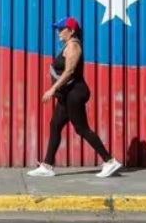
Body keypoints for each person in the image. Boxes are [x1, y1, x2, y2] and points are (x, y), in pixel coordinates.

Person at [27, 16, 123, 178]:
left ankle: (110, 161)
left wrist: (52, 89)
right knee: (55, 124)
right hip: (67, 93)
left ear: (70, 31)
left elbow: (69, 71)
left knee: (81, 128)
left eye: (61, 29)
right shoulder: (67, 45)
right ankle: (47, 166)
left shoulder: (73, 46)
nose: (58, 32)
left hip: (74, 93)